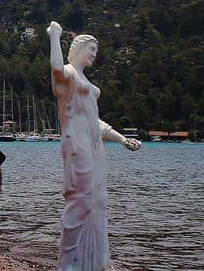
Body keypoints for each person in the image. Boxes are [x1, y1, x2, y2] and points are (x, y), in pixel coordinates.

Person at [48, 21, 141, 271]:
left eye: (95, 50)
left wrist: (122, 139)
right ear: (77, 48)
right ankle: (68, 262)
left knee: (98, 201)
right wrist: (54, 36)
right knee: (80, 199)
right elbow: (56, 68)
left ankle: (94, 261)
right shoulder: (67, 75)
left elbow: (96, 122)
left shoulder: (89, 87)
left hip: (94, 145)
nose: (94, 54)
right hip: (76, 143)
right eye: (90, 48)